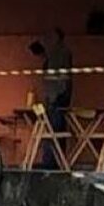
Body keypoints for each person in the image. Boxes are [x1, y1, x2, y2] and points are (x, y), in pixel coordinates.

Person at [30, 28, 73, 169]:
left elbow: (60, 78)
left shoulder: (61, 53)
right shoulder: (54, 53)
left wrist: (54, 97)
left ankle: (51, 162)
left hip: (57, 96)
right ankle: (54, 161)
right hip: (54, 95)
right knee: (53, 128)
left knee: (53, 129)